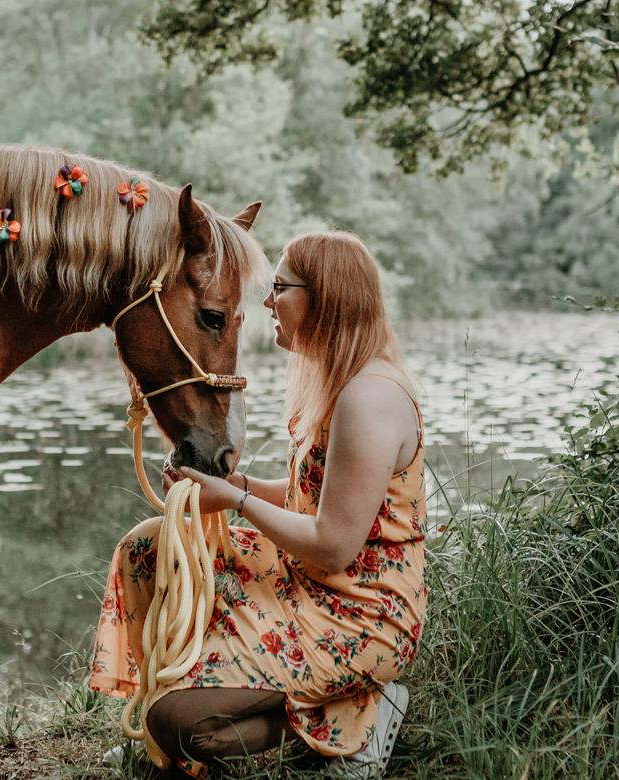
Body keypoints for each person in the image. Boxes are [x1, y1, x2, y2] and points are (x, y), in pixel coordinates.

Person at [89, 231, 427, 778]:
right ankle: (220, 701)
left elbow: (336, 546)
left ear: (326, 296)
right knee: (148, 547)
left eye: (279, 288)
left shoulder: (371, 398)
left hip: (359, 612)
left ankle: (360, 717)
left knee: (179, 726)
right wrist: (235, 482)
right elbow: (311, 499)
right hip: (308, 579)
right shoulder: (340, 382)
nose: (267, 302)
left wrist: (237, 499)